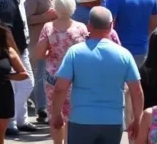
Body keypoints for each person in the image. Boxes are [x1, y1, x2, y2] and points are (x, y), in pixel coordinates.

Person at [52, 7, 144, 144]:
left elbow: (60, 88)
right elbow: (136, 91)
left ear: (89, 25)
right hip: (112, 121)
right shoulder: (124, 54)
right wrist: (137, 119)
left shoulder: (75, 52)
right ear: (111, 25)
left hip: (81, 120)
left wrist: (57, 113)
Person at [34, 0, 88, 144]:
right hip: (75, 78)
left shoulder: (48, 28)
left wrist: (49, 52)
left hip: (53, 77)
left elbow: (38, 53)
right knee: (72, 115)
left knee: (55, 114)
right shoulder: (81, 28)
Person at [0, 0, 40, 135]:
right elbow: (5, 31)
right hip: (14, 52)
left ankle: (20, 120)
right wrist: (15, 55)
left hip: (19, 50)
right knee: (26, 84)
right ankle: (9, 120)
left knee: (21, 86)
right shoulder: (6, 2)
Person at [25, 0, 59, 123]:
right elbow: (27, 18)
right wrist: (45, 17)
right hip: (37, 41)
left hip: (52, 40)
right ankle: (41, 108)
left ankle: (38, 100)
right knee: (39, 75)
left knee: (47, 74)